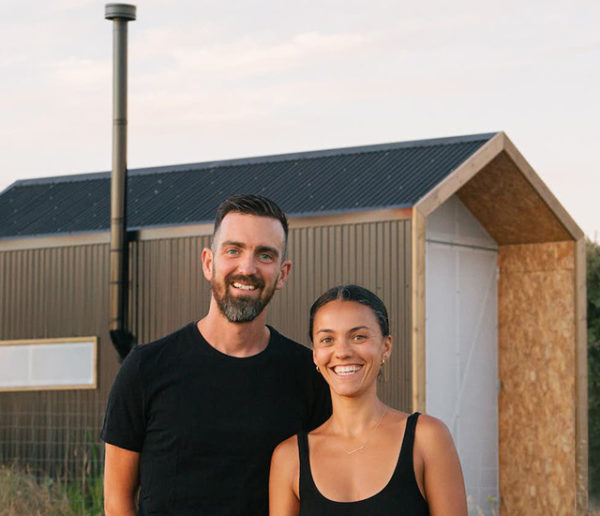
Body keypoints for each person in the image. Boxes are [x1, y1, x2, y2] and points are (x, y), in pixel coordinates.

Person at [101, 194, 331, 516]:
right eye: (233, 250)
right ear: (209, 263)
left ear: (283, 273)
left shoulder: (309, 376)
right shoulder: (145, 368)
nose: (247, 268)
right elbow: (117, 500)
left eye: (265, 255)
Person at [269, 285, 467, 516]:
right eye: (327, 339)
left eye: (358, 336)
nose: (342, 351)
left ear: (386, 346)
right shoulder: (289, 458)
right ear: (315, 353)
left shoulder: (427, 438)